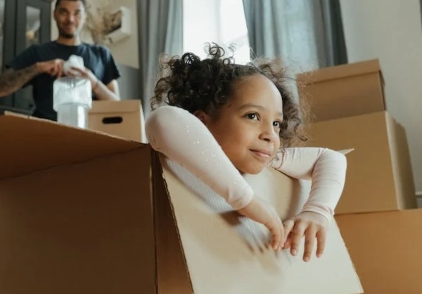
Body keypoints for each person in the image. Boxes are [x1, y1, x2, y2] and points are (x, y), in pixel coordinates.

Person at [145, 45, 346, 262]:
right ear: (202, 120)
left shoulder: (267, 157)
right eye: (252, 116)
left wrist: (317, 211)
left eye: (276, 123)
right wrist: (246, 201)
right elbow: (163, 120)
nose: (270, 134)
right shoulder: (176, 147)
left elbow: (332, 157)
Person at [0, 0, 122, 121]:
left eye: (77, 13)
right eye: (64, 12)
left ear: (85, 17)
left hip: (89, 134)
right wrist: (38, 68)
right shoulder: (37, 52)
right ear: (55, 14)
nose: (70, 19)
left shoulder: (101, 54)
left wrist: (93, 82)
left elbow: (118, 108)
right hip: (45, 134)